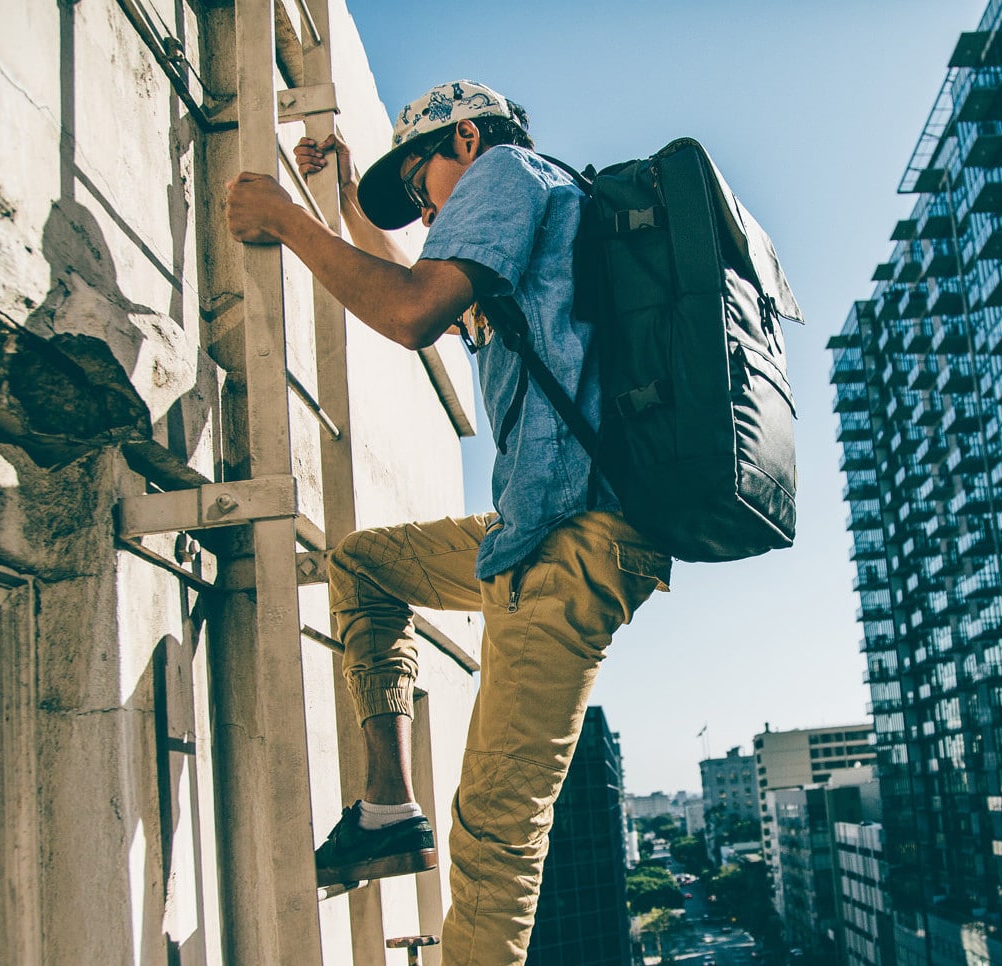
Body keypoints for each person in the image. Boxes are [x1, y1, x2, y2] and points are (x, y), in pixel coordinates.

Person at [225, 80, 671, 963]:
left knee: (495, 833)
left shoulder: (508, 172)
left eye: (421, 182)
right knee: (364, 564)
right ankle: (388, 806)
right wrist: (347, 195)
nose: (426, 214)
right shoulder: (531, 233)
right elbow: (405, 277)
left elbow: (407, 310)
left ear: (463, 141)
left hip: (574, 542)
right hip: (528, 533)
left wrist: (285, 220)